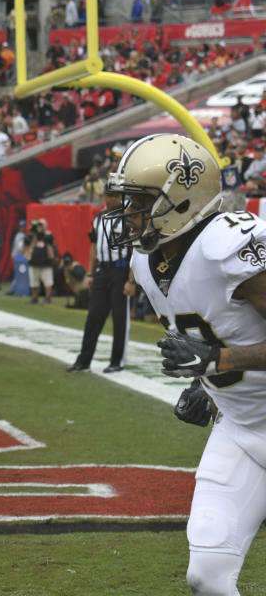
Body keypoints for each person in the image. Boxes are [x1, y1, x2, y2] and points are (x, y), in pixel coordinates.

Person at [104, 133, 266, 596]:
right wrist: (208, 385)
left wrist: (222, 360)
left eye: (137, 202)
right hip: (242, 428)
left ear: (178, 200)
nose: (126, 215)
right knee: (207, 576)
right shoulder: (146, 262)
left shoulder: (227, 245)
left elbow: (224, 346)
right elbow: (220, 331)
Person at [68, 189, 135, 373]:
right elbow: (94, 247)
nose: (114, 198)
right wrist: (90, 273)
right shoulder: (98, 218)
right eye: (111, 195)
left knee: (120, 318)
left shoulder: (128, 217)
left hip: (120, 270)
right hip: (102, 270)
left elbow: (134, 251)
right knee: (93, 317)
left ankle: (117, 361)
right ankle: (84, 360)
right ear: (105, 196)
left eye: (117, 195)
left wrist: (131, 279)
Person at [26, 219, 57, 303]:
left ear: (46, 226)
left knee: (47, 282)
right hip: (34, 262)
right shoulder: (33, 235)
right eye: (39, 225)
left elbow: (49, 239)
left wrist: (41, 231)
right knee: (33, 281)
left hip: (46, 262)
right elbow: (27, 241)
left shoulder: (48, 234)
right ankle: (34, 298)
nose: (40, 226)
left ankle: (48, 298)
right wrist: (32, 231)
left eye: (42, 225)